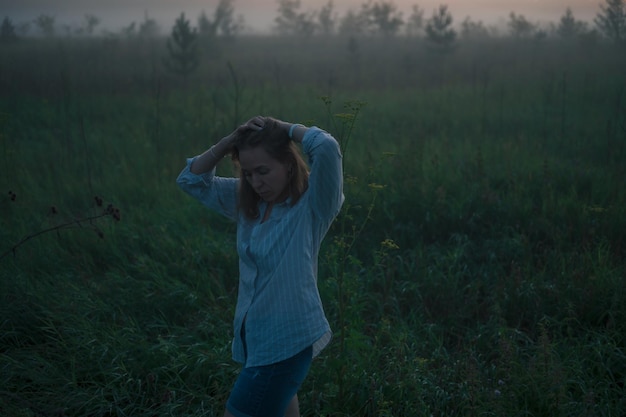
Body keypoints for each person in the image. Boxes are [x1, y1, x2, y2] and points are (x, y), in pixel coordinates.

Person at [176, 116, 344, 417]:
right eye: (248, 173)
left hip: (287, 342)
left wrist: (286, 128)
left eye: (263, 171)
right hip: (257, 339)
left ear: (289, 165)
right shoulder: (249, 202)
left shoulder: (312, 205)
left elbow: (327, 147)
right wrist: (229, 142)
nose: (256, 182)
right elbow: (191, 180)